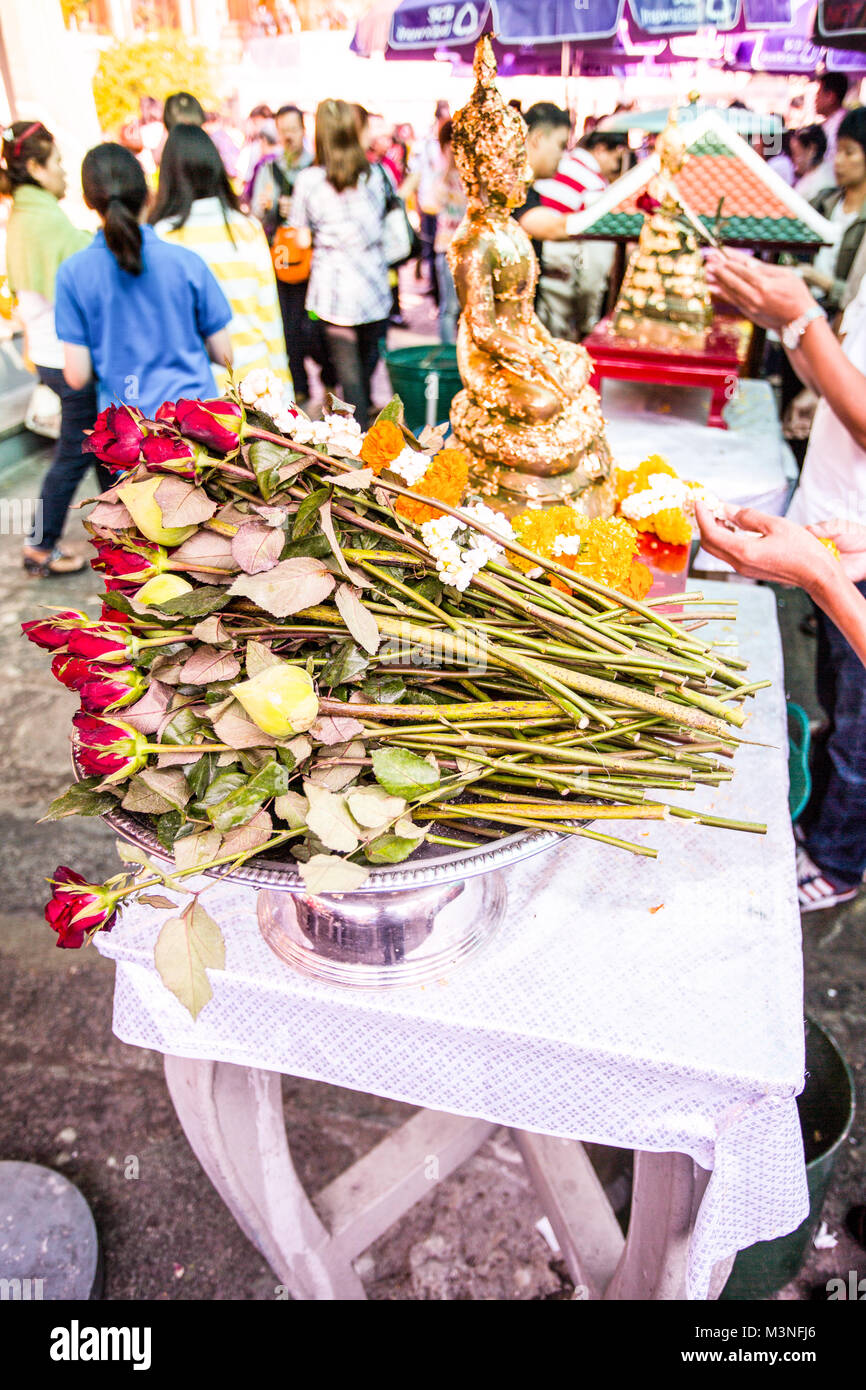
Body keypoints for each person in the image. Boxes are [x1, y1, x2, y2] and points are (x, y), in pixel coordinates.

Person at [706, 248, 866, 912]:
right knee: (840, 694)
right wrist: (790, 323)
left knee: (862, 734)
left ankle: (837, 857)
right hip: (844, 528)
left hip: (850, 550)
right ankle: (833, 794)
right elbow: (843, 380)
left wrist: (803, 317)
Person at [54, 143, 233, 421]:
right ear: (148, 196)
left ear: (90, 202)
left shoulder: (72, 273)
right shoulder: (186, 262)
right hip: (197, 429)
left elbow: (77, 376)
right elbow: (225, 355)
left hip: (130, 439)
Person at [2, 121, 108, 577]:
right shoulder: (43, 218)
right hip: (65, 356)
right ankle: (41, 545)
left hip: (49, 352)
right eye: (58, 164)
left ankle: (121, 530)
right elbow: (88, 273)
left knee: (100, 444)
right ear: (35, 167)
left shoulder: (28, 214)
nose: (65, 173)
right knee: (77, 450)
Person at [150, 124, 289, 395]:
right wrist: (283, 387)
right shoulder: (247, 227)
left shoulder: (162, 235)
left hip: (196, 394)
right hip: (256, 386)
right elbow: (269, 313)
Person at [289, 99, 391, 423]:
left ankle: (353, 453)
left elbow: (301, 238)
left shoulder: (308, 180)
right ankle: (362, 444)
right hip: (373, 285)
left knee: (352, 383)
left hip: (333, 290)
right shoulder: (376, 174)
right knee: (365, 369)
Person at [250, 104, 334, 404]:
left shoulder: (318, 166)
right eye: (282, 132)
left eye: (292, 131)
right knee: (288, 327)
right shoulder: (268, 169)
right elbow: (256, 215)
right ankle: (299, 387)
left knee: (317, 326)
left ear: (303, 130)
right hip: (284, 261)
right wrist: (268, 207)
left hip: (315, 261)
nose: (288, 138)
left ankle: (329, 379)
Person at [534, 130, 625, 340]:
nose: (616, 167)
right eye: (616, 159)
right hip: (561, 278)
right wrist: (588, 321)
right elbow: (595, 268)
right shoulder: (595, 186)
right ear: (601, 149)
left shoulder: (558, 164)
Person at [805, 108, 866, 316]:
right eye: (837, 151)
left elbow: (857, 297)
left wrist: (821, 281)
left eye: (849, 152)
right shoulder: (823, 202)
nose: (838, 161)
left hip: (839, 322)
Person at [430, 120, 466, 344]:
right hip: (446, 250)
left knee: (467, 309)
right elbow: (434, 202)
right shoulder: (440, 178)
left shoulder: (472, 177)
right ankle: (447, 353)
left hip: (469, 249)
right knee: (449, 308)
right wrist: (448, 170)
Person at [790, 124, 833, 203]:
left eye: (795, 153)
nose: (794, 160)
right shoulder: (816, 171)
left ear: (811, 150)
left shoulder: (821, 183)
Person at [814, 73, 849, 164]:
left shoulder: (839, 125)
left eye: (818, 94)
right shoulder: (836, 121)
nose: (815, 100)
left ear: (830, 97)